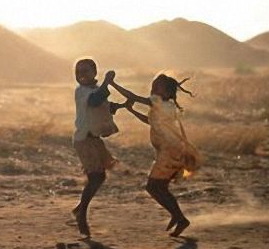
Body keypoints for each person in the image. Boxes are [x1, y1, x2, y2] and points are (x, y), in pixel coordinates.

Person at [109, 74, 201, 236]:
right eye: (153, 87)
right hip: (170, 150)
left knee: (152, 187)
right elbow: (150, 121)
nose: (153, 91)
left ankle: (180, 218)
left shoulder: (159, 103)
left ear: (167, 93)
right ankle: (176, 215)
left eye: (158, 88)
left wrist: (112, 83)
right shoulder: (167, 106)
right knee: (162, 187)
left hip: (169, 152)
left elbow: (133, 96)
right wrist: (131, 110)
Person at [72, 58, 126, 238]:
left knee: (99, 176)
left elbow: (102, 106)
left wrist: (121, 105)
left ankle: (80, 208)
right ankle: (81, 214)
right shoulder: (81, 92)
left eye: (86, 71)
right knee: (95, 176)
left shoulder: (94, 90)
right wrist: (107, 82)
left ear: (94, 72)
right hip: (84, 140)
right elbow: (94, 102)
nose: (82, 75)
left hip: (94, 140)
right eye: (79, 72)